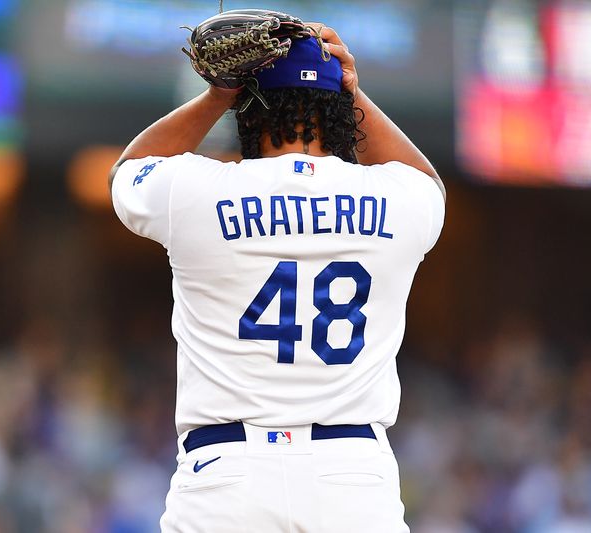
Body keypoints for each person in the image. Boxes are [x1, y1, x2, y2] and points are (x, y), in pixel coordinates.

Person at [109, 24, 445, 533]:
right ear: (338, 110)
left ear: (249, 106)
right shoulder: (398, 199)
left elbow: (128, 170)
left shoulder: (197, 190)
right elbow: (429, 183)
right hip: (352, 479)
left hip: (225, 476)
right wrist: (354, 91)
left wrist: (218, 95)